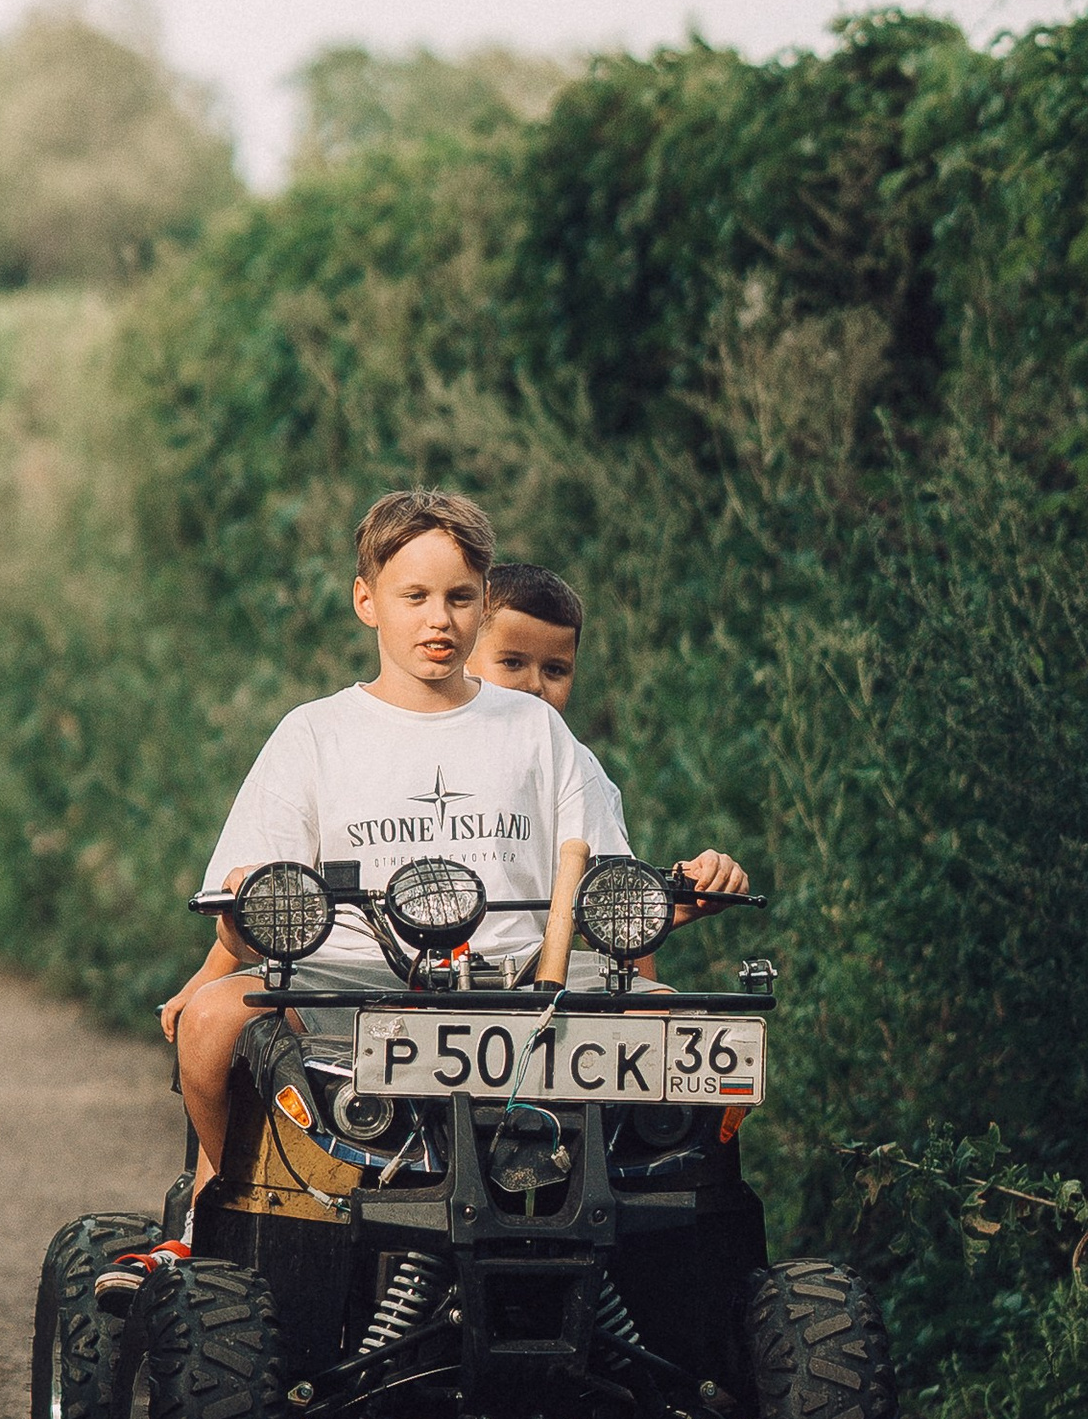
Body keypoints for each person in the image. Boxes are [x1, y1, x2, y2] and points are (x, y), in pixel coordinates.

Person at [157, 488, 589, 1217]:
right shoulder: (316, 734)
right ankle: (228, 1204)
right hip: (347, 983)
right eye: (413, 595)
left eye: (458, 597)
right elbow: (246, 908)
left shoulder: (534, 730)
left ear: (484, 604)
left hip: (522, 981)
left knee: (674, 1017)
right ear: (368, 601)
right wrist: (240, 915)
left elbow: (599, 876)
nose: (437, 619)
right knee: (208, 1020)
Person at [474, 559, 749, 917]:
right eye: (512, 663)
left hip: (528, 971)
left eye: (555, 670)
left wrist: (694, 893)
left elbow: (623, 917)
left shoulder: (574, 765)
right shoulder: (414, 740)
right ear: (464, 656)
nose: (535, 685)